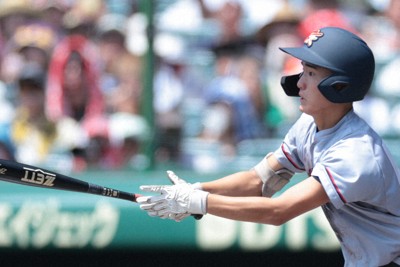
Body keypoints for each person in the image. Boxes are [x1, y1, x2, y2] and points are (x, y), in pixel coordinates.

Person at [137, 27, 400, 266]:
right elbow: (258, 181)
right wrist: (197, 189)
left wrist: (199, 202)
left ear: (340, 86)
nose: (299, 83)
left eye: (311, 73)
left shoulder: (355, 152)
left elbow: (279, 211)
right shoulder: (309, 125)